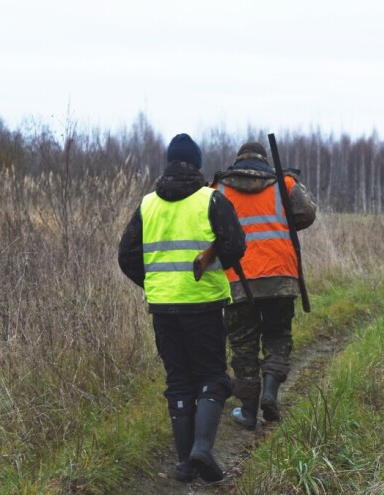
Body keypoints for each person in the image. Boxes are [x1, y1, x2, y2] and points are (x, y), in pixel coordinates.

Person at [118, 133, 246, 482]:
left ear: (169, 163)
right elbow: (236, 246)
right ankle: (202, 449)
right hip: (203, 305)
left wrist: (155, 283)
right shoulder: (212, 199)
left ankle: (185, 465)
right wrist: (213, 262)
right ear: (198, 164)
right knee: (213, 377)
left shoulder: (147, 204)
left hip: (163, 308)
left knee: (178, 382)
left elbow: (126, 256)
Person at [212, 141, 317, 430]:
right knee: (278, 335)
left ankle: (248, 411)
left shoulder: (218, 188)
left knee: (243, 345)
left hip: (237, 278)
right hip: (279, 275)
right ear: (264, 160)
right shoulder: (284, 183)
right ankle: (270, 392)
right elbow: (307, 214)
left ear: (238, 160)